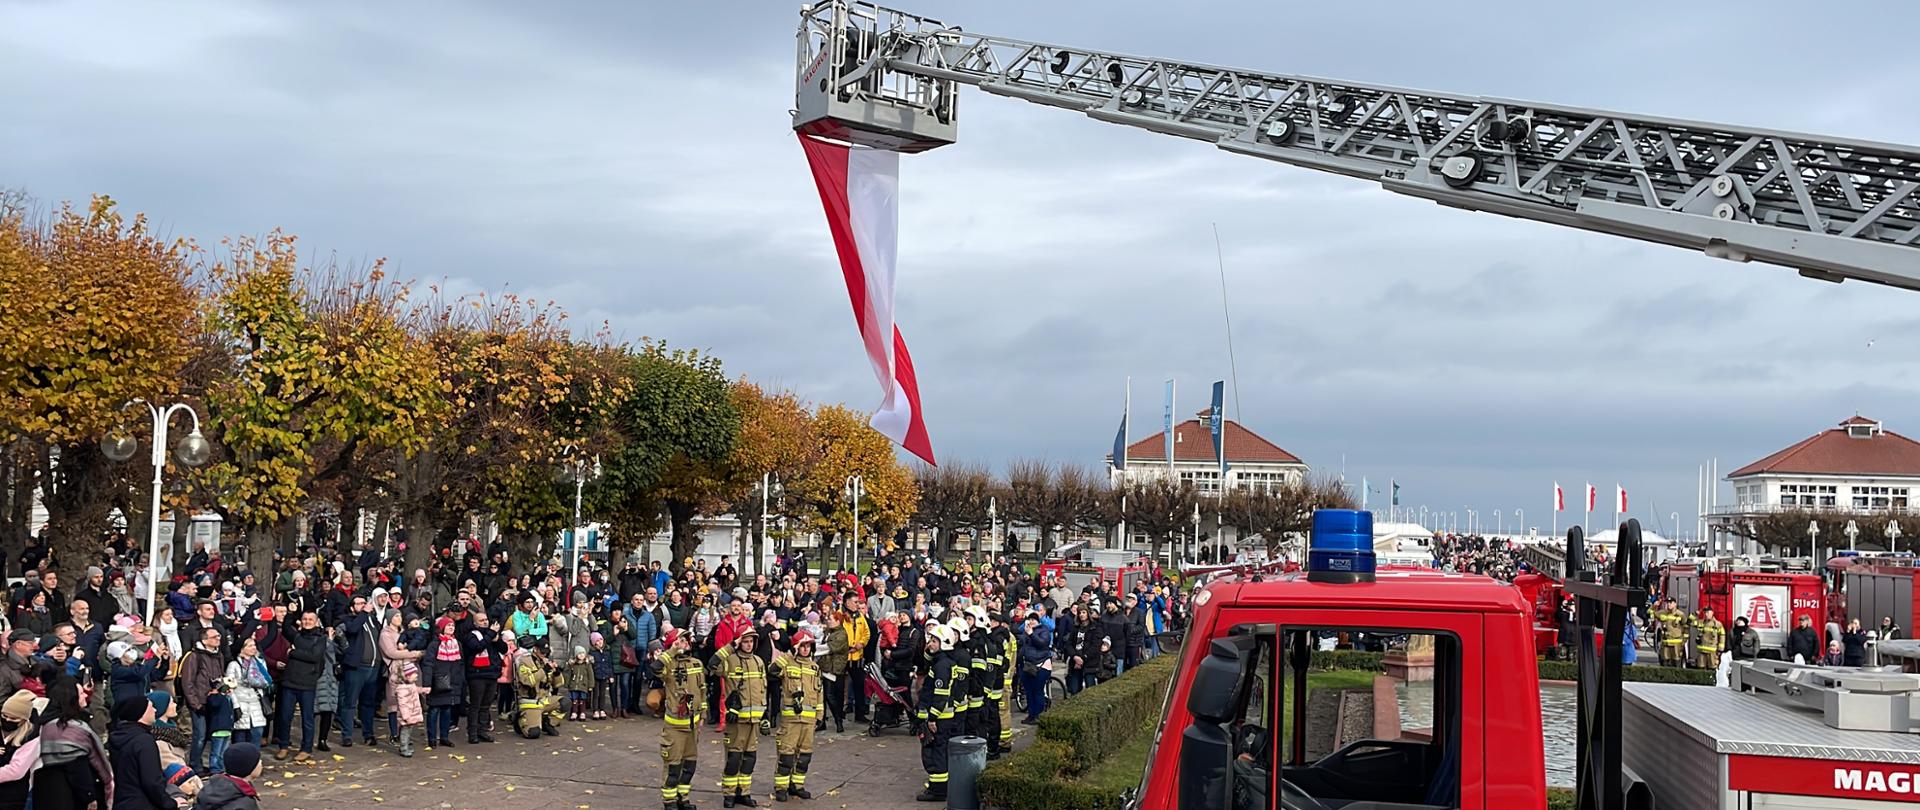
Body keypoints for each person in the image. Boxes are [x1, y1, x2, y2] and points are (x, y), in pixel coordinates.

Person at [35, 674, 114, 810]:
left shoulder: (44, 724)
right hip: (71, 798)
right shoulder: (69, 729)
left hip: (45, 796)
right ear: (71, 698)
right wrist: (90, 797)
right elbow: (77, 768)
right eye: (82, 693)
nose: (85, 696)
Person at [714, 625, 766, 807]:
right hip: (736, 721)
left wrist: (764, 715)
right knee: (733, 758)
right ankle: (729, 795)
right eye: (745, 641)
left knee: (749, 758)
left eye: (751, 641)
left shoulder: (759, 661)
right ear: (739, 642)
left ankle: (744, 793)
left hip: (754, 721)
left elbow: (763, 689)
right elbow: (712, 664)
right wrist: (731, 645)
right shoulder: (729, 660)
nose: (749, 644)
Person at [769, 628, 820, 803]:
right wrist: (788, 655)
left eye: (808, 646)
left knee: (804, 756)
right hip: (791, 720)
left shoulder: (814, 668)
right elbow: (772, 671)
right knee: (786, 755)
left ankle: (797, 786)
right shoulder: (788, 664)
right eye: (802, 646)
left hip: (809, 720)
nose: (805, 649)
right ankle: (781, 788)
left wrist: (819, 715)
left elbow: (819, 693)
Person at [656, 628, 704, 810]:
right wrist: (671, 650)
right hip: (674, 726)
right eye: (679, 640)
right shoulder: (668, 664)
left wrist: (702, 716)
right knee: (673, 766)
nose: (684, 643)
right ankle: (669, 801)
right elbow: (656, 668)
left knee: (689, 765)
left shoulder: (696, 663)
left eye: (685, 640)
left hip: (692, 725)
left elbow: (702, 691)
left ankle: (683, 798)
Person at [273, 610, 325, 762]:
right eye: (304, 619)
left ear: (316, 622)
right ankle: (283, 746)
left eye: (310, 619)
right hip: (289, 682)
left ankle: (306, 748)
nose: (307, 621)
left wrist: (292, 653)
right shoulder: (297, 636)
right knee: (285, 716)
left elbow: (314, 657)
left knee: (307, 719)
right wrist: (291, 612)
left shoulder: (320, 639)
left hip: (307, 684)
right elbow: (286, 626)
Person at [107, 693, 172, 810]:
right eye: (151, 707)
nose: (155, 710)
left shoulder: (118, 736)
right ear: (141, 713)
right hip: (143, 803)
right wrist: (170, 804)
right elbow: (152, 782)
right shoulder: (143, 741)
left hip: (121, 802)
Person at [915, 624, 957, 803]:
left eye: (934, 641)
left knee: (935, 753)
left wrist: (932, 718)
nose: (930, 643)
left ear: (944, 643)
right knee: (938, 751)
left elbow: (940, 696)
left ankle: (938, 791)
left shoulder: (941, 666)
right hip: (943, 717)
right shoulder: (941, 661)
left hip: (939, 718)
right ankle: (939, 787)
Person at [422, 616, 467, 750]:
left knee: (447, 710)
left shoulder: (457, 644)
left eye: (452, 626)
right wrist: (427, 683)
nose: (451, 628)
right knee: (434, 710)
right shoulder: (434, 644)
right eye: (448, 626)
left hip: (453, 682)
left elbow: (461, 663)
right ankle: (431, 738)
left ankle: (444, 737)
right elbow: (428, 664)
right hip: (438, 682)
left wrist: (461, 679)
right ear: (441, 628)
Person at [194, 742, 264, 810]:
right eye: (258, 760)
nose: (261, 762)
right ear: (250, 767)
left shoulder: (211, 786)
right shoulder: (245, 803)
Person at [0, 689, 38, 809]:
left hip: (10, 798)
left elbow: (16, 770)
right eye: (4, 716)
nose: (7, 720)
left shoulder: (31, 737)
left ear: (24, 720)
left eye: (13, 719)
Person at [390, 662, 427, 757]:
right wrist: (406, 716)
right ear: (407, 676)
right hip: (407, 715)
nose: (416, 675)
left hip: (411, 713)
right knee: (405, 732)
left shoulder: (411, 685)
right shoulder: (402, 689)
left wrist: (423, 690)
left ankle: (406, 745)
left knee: (408, 731)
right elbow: (402, 704)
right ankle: (403, 748)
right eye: (414, 674)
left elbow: (416, 689)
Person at [1652, 598, 1687, 667]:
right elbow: (1650, 614)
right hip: (1665, 642)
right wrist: (1654, 606)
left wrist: (1684, 640)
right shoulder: (1662, 613)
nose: (1668, 604)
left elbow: (1686, 626)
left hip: (1676, 644)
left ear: (1675, 604)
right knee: (1664, 662)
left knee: (1676, 662)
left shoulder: (1680, 614)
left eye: (1671, 603)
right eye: (1667, 603)